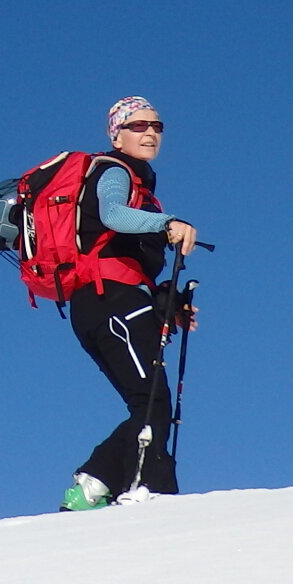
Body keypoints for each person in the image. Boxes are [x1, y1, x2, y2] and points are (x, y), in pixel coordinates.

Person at [44, 96, 200, 510]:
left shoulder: (141, 183)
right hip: (111, 301)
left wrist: (165, 300)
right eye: (138, 126)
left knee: (150, 403)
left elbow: (126, 254)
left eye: (157, 126)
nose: (150, 133)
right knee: (153, 401)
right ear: (117, 133)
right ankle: (144, 488)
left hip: (107, 303)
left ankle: (96, 482)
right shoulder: (113, 170)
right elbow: (112, 214)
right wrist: (166, 224)